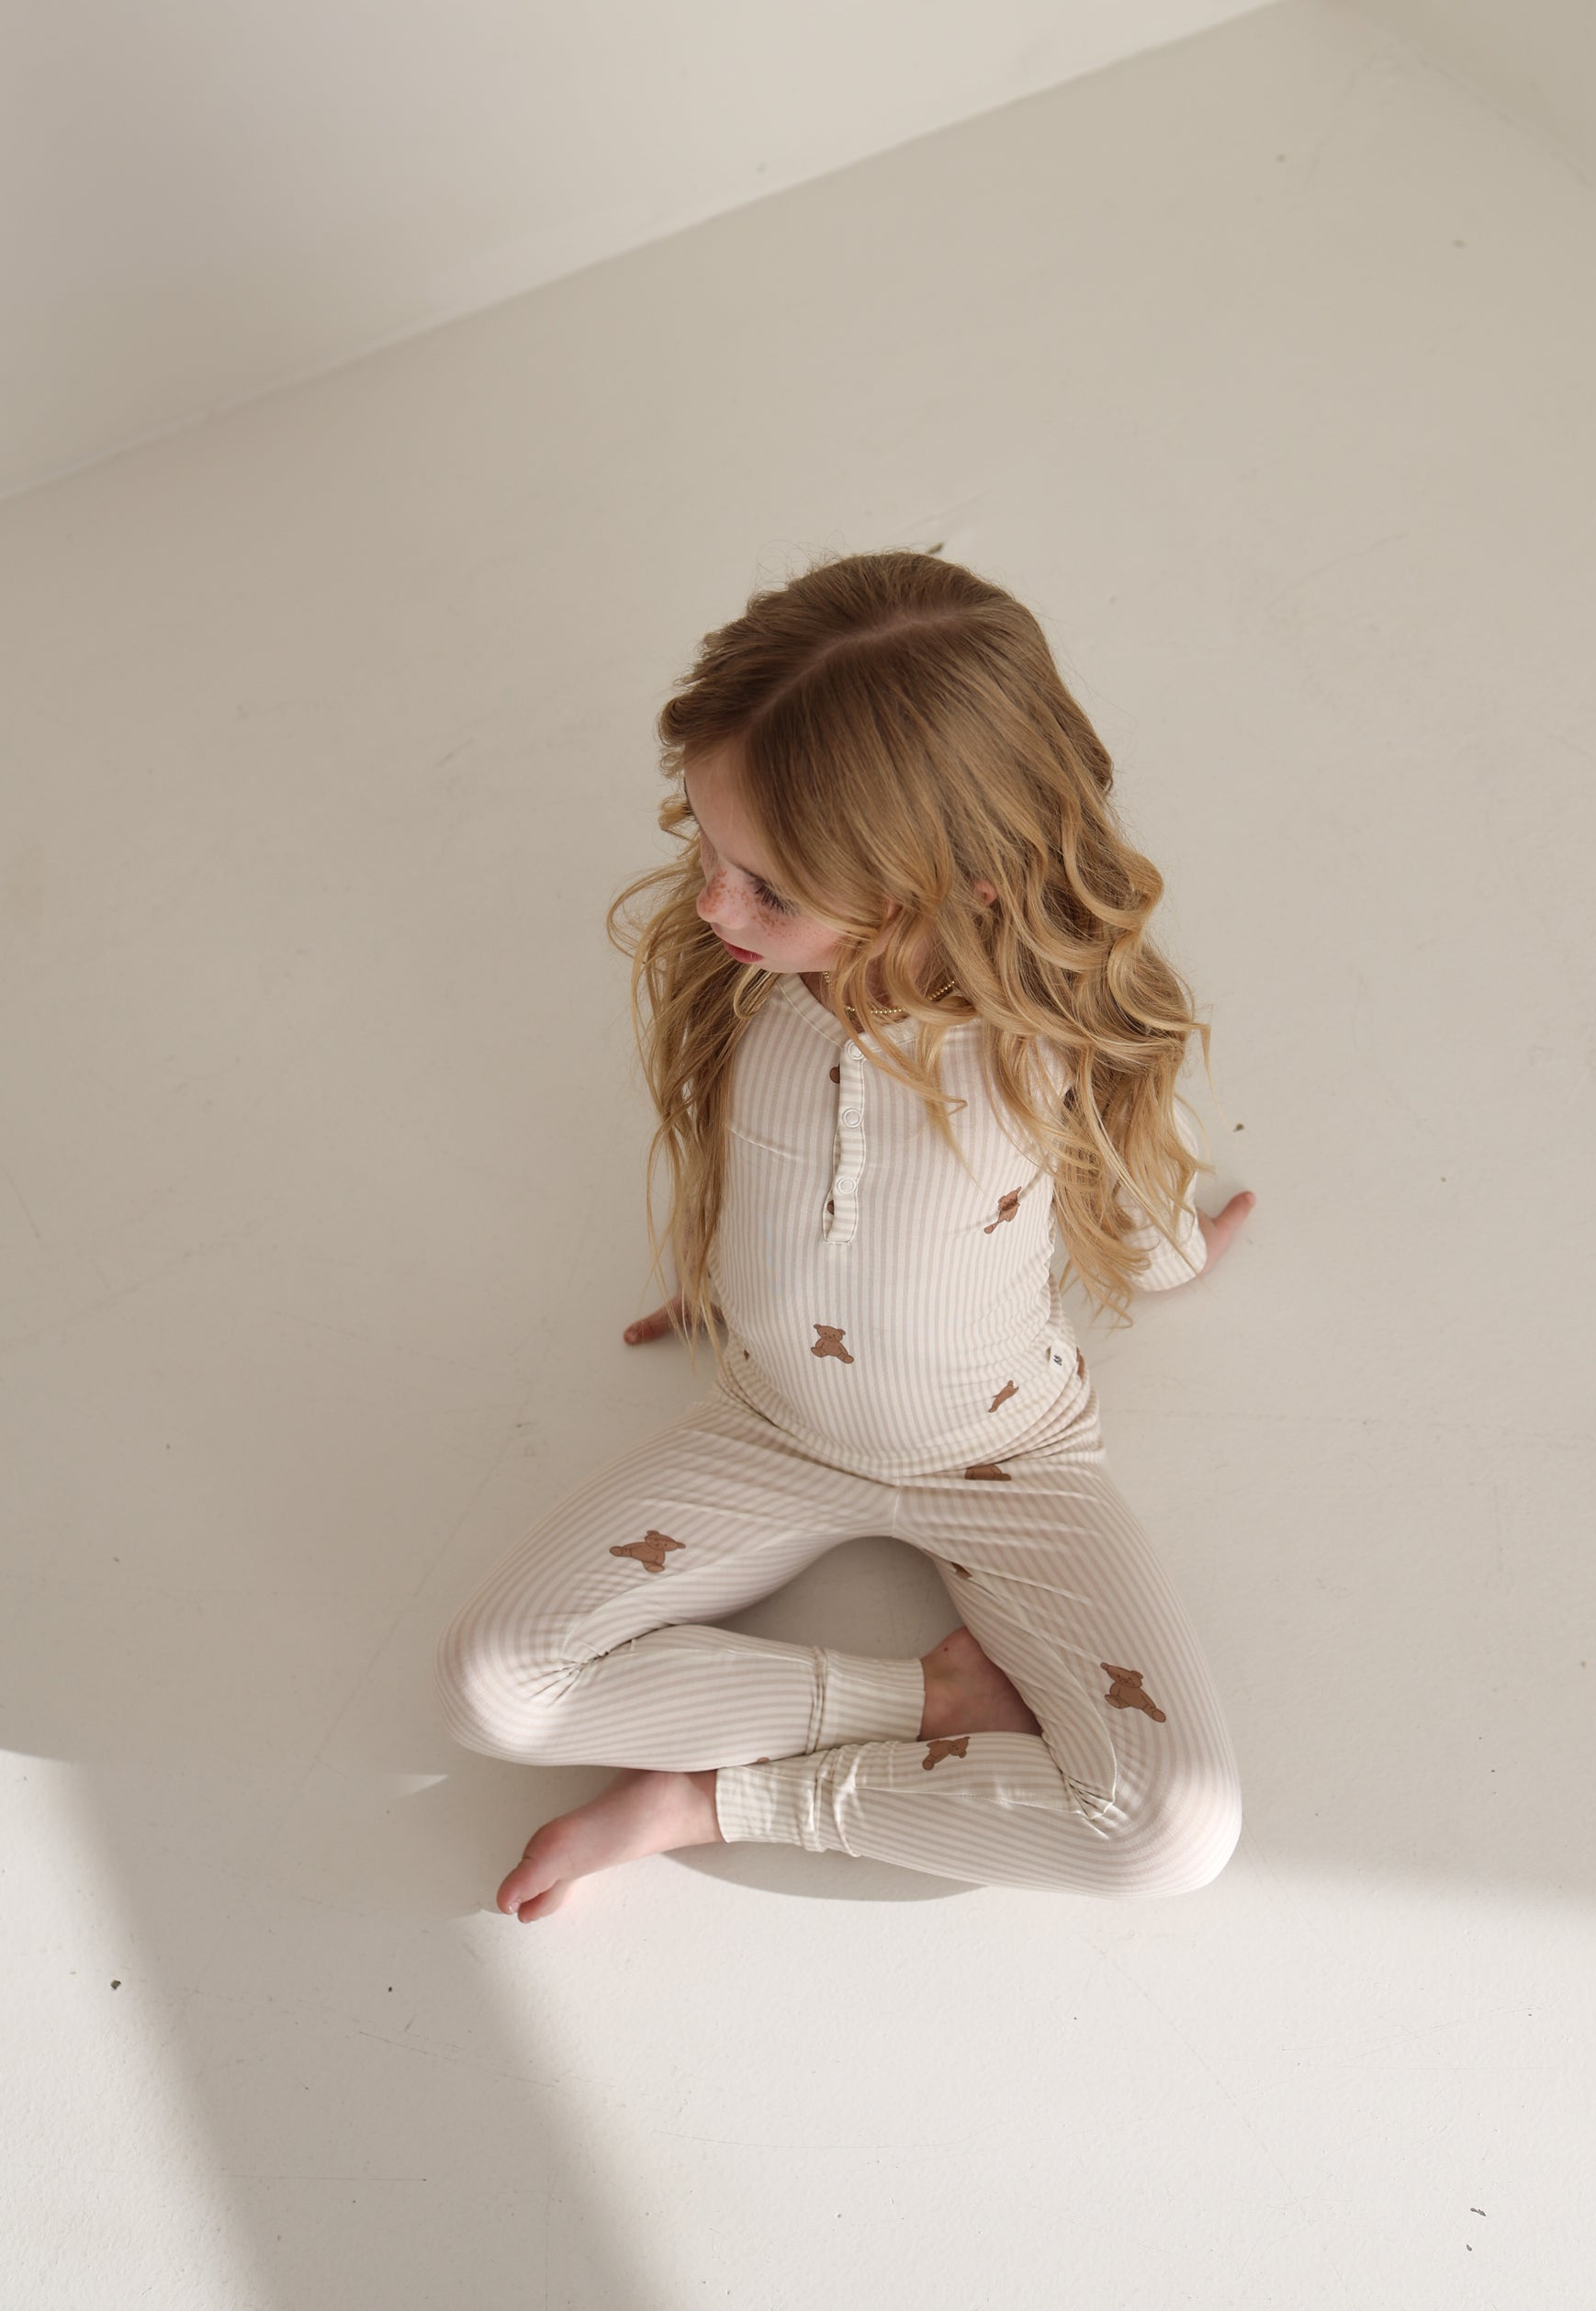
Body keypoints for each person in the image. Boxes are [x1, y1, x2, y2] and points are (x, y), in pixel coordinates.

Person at [434, 548, 1256, 1918]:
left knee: (1169, 1837)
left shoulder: (1046, 1048)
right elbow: (763, 1170)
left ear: (963, 884)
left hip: (1005, 1453)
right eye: (711, 854)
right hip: (768, 1422)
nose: (710, 907)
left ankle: (716, 1799)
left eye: (764, 887)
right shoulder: (754, 988)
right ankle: (927, 1695)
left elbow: (1122, 1193)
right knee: (489, 1691)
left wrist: (1176, 1257)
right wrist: (729, 1284)